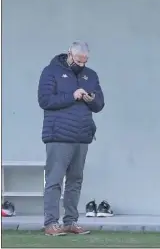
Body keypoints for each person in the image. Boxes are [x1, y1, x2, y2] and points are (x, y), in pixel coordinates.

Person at [38, 41, 105, 236]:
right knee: (54, 180)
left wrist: (91, 99)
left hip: (82, 135)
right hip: (58, 135)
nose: (81, 64)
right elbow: (45, 100)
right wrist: (72, 95)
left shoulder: (90, 75)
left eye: (85, 61)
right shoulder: (51, 71)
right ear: (70, 54)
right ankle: (51, 223)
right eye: (78, 60)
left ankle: (70, 222)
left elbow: (100, 104)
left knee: (75, 181)